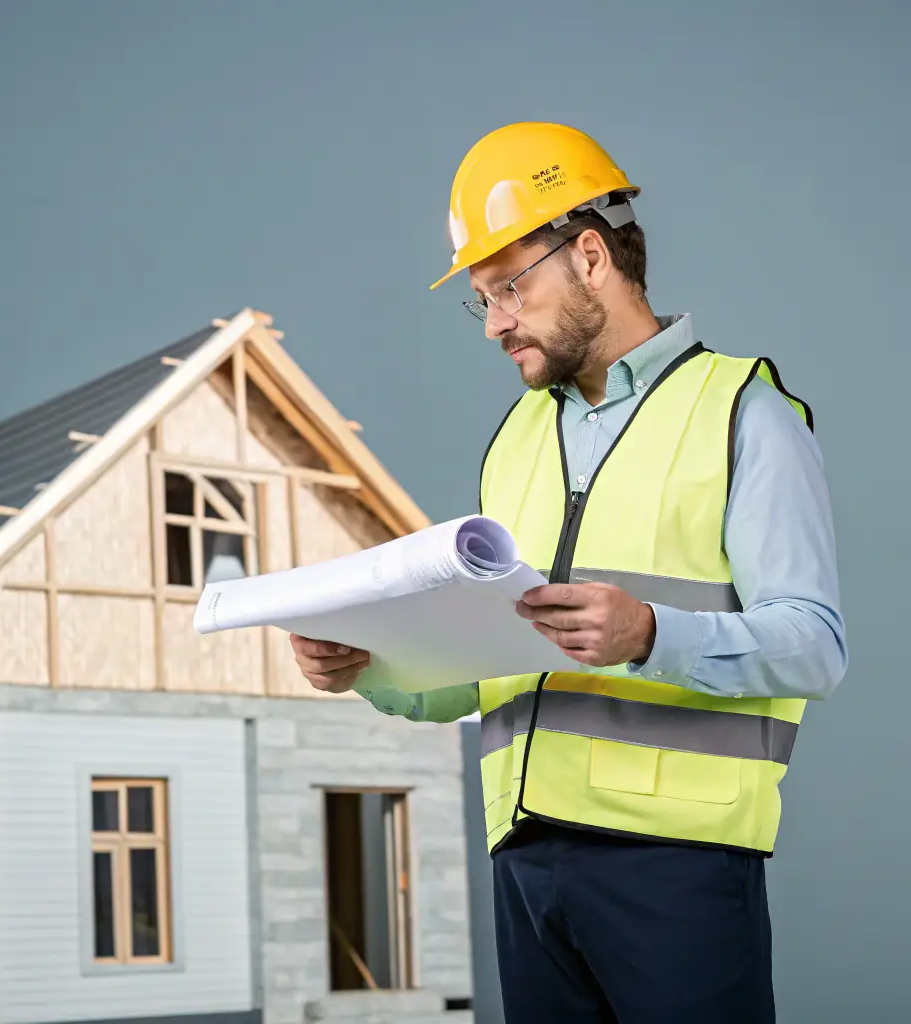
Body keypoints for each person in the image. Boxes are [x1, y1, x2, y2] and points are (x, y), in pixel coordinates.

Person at [290, 122, 848, 1024]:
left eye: (509, 287)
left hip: (676, 867)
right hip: (526, 867)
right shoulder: (514, 442)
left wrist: (651, 635)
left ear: (590, 256)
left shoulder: (743, 412)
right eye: (482, 301)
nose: (497, 323)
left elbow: (816, 648)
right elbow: (490, 666)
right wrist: (371, 670)